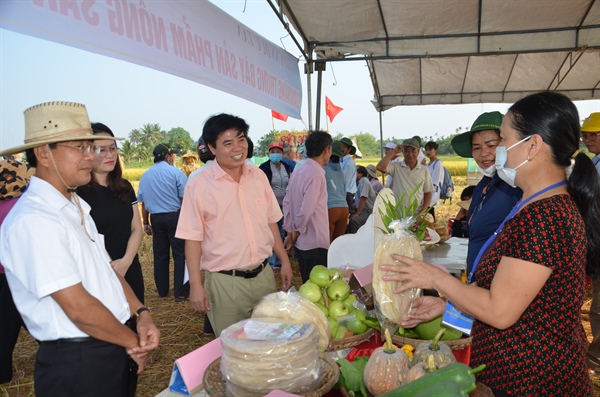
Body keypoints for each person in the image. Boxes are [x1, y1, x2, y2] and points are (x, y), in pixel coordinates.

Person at [386, 92, 600, 396]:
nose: (497, 149)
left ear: (533, 146)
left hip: (536, 381)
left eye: (503, 139)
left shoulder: (547, 216)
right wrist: (447, 307)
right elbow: (517, 305)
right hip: (517, 374)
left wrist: (435, 278)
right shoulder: (531, 206)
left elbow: (500, 311)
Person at [0, 101, 159, 397]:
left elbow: (106, 271)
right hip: (80, 360)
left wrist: (142, 312)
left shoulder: (75, 205)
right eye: (80, 147)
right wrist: (132, 341)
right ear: (44, 153)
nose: (91, 156)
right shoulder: (34, 219)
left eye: (92, 146)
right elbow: (78, 308)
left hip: (111, 341)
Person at [175, 113, 293, 336]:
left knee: (269, 342)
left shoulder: (258, 177)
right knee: (234, 350)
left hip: (263, 277)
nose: (237, 147)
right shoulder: (199, 184)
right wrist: (196, 285)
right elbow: (192, 238)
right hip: (224, 284)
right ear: (211, 147)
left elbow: (270, 223)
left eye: (241, 139)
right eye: (227, 143)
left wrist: (284, 261)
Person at [77, 122, 145, 304]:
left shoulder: (124, 187)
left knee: (136, 320)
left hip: (128, 265)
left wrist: (126, 260)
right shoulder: (78, 194)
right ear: (87, 153)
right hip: (98, 271)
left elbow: (137, 228)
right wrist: (110, 267)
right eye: (102, 150)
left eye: (113, 149)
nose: (110, 155)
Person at [451, 112, 522, 278]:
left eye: (491, 145)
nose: (483, 153)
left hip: (501, 283)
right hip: (478, 281)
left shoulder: (517, 184)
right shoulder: (483, 184)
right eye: (476, 147)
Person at [138, 143, 188, 301]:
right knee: (180, 254)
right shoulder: (175, 173)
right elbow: (184, 198)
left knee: (160, 254)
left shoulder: (145, 175)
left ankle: (162, 290)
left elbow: (143, 202)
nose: (173, 158)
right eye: (172, 155)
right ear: (167, 156)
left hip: (156, 218)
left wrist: (145, 222)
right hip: (174, 217)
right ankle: (180, 292)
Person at [283, 131, 332, 283]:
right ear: (326, 149)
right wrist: (296, 231)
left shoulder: (299, 169)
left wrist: (290, 231)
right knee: (315, 288)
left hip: (302, 242)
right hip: (314, 242)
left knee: (307, 284)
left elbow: (287, 202)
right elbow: (306, 211)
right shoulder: (316, 173)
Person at [0, 159, 33, 384]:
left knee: (6, 323)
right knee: (15, 321)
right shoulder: (22, 206)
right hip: (18, 274)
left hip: (2, 273)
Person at [581, 112, 600, 374]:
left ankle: (595, 360)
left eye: (593, 134)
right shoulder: (594, 162)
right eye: (585, 134)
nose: (587, 139)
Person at [376, 138, 433, 213]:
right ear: (402, 152)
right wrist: (394, 152)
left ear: (418, 151)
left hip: (416, 216)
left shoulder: (424, 170)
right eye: (406, 151)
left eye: (413, 151)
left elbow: (428, 192)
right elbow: (380, 167)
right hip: (398, 216)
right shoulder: (396, 167)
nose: (410, 154)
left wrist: (423, 211)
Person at [259, 142, 292, 269]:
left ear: (282, 153)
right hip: (271, 205)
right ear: (269, 153)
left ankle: (278, 260)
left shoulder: (286, 166)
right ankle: (271, 261)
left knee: (282, 232)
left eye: (278, 152)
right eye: (273, 152)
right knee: (272, 233)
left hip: (285, 204)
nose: (275, 154)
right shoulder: (264, 167)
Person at [323, 141, 349, 242]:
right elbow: (345, 192)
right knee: (338, 244)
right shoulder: (342, 172)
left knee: (327, 244)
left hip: (331, 208)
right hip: (344, 208)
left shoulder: (322, 170)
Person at [347, 165, 377, 233]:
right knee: (348, 219)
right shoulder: (359, 183)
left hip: (369, 211)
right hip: (363, 210)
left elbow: (363, 198)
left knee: (355, 222)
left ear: (360, 174)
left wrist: (357, 213)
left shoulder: (364, 181)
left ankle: (356, 240)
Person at [424, 141, 444, 221]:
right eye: (426, 150)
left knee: (429, 216)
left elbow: (435, 181)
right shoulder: (427, 164)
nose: (428, 152)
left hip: (432, 194)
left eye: (430, 149)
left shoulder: (438, 163)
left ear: (435, 150)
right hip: (426, 193)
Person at [339, 137, 357, 214]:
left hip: (346, 195)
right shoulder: (342, 160)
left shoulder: (349, 163)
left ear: (349, 149)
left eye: (343, 147)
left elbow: (345, 182)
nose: (341, 149)